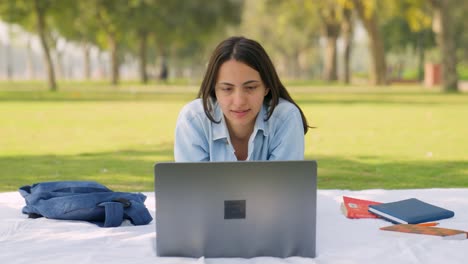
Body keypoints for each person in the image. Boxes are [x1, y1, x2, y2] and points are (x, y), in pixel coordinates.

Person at [174, 36, 310, 162]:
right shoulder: (193, 119)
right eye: (227, 89)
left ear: (267, 87)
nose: (239, 102)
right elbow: (193, 187)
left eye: (250, 87)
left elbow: (285, 185)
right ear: (214, 89)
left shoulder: (286, 117)